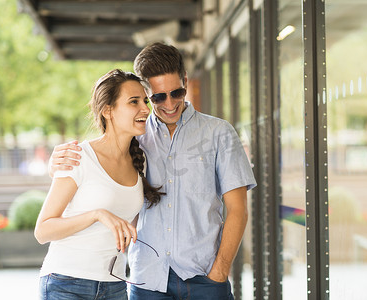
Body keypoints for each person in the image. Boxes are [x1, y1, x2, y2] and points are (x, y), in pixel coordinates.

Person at [49, 42, 257, 299]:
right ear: (146, 94)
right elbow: (99, 163)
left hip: (205, 279)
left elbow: (238, 210)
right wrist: (56, 166)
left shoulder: (219, 134)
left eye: (177, 92)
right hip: (148, 281)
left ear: (185, 82)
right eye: (158, 97)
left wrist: (219, 272)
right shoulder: (135, 134)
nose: (170, 104)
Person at [35, 69, 163, 300]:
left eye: (145, 101)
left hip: (114, 286)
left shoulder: (139, 161)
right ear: (108, 110)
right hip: (66, 283)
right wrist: (97, 214)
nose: (145, 108)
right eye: (134, 102)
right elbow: (43, 230)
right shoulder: (79, 156)